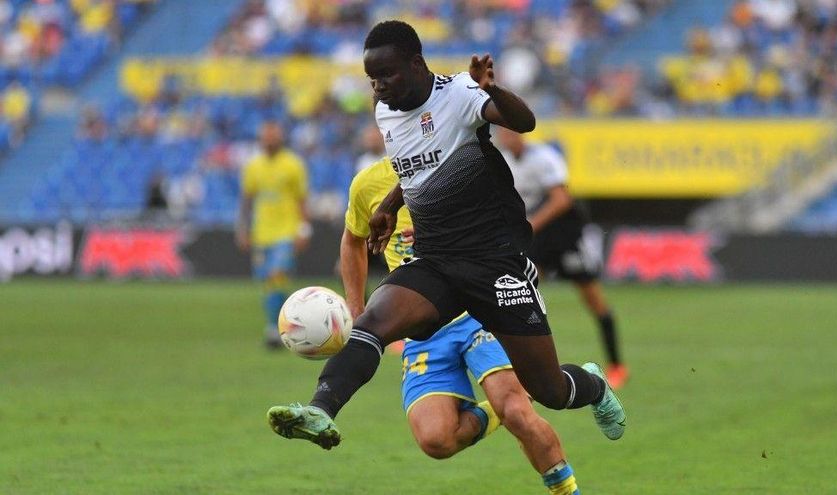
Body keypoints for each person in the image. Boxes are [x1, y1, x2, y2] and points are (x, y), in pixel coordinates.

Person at [266, 20, 625, 452]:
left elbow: (523, 122)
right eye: (372, 79)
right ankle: (320, 409)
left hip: (495, 262)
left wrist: (492, 90)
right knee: (373, 322)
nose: (378, 87)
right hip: (436, 259)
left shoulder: (460, 94)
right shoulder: (386, 112)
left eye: (387, 75)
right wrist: (389, 205)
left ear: (416, 64)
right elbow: (415, 164)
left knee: (549, 389)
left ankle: (594, 384)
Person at [339, 156, 581, 494]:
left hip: (478, 308)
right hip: (423, 325)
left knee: (515, 411)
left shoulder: (460, 165)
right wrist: (356, 310)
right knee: (436, 440)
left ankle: (566, 489)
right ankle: (513, 400)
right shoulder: (367, 184)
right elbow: (352, 241)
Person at [496, 127, 629, 388]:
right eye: (502, 133)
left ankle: (616, 366)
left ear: (519, 133)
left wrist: (530, 225)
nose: (506, 137)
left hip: (565, 234)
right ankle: (518, 368)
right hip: (539, 238)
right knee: (520, 296)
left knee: (593, 300)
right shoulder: (502, 160)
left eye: (510, 132)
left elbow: (562, 200)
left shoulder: (543, 157)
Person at [236, 121, 311, 349]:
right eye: (265, 136)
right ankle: (280, 323)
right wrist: (243, 229)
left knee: (276, 275)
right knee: (268, 282)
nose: (269, 140)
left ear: (280, 138)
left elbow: (302, 200)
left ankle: (274, 330)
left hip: (285, 232)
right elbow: (247, 201)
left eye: (273, 136)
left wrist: (304, 229)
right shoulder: (253, 166)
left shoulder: (293, 165)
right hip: (261, 234)